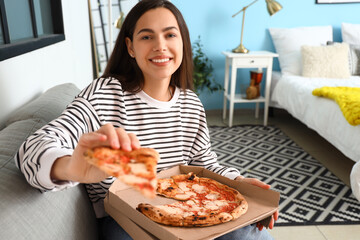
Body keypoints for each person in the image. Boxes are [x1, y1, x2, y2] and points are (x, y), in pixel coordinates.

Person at [16, 0, 278, 239]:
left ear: (182, 43)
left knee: (255, 235)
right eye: (146, 36)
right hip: (123, 219)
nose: (160, 45)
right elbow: (32, 149)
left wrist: (238, 183)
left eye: (170, 34)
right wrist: (73, 168)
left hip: (191, 209)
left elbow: (204, 164)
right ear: (130, 47)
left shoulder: (191, 103)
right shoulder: (103, 94)